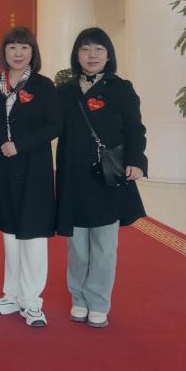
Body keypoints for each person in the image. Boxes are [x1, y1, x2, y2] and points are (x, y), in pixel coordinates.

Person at [55, 27, 147, 329]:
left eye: (98, 49)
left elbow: (135, 128)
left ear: (109, 55)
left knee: (104, 246)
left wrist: (136, 161)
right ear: (76, 55)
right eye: (85, 49)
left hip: (107, 177)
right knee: (78, 246)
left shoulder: (121, 89)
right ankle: (78, 297)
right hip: (72, 177)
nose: (91, 55)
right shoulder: (65, 91)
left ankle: (98, 302)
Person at [0, 27, 61, 327]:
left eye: (24, 48)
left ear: (32, 53)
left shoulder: (44, 86)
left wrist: (21, 145)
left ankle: (32, 301)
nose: (18, 53)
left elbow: (55, 126)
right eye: (12, 47)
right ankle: (12, 295)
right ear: (4, 52)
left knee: (34, 237)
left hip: (34, 170)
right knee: (11, 235)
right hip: (2, 172)